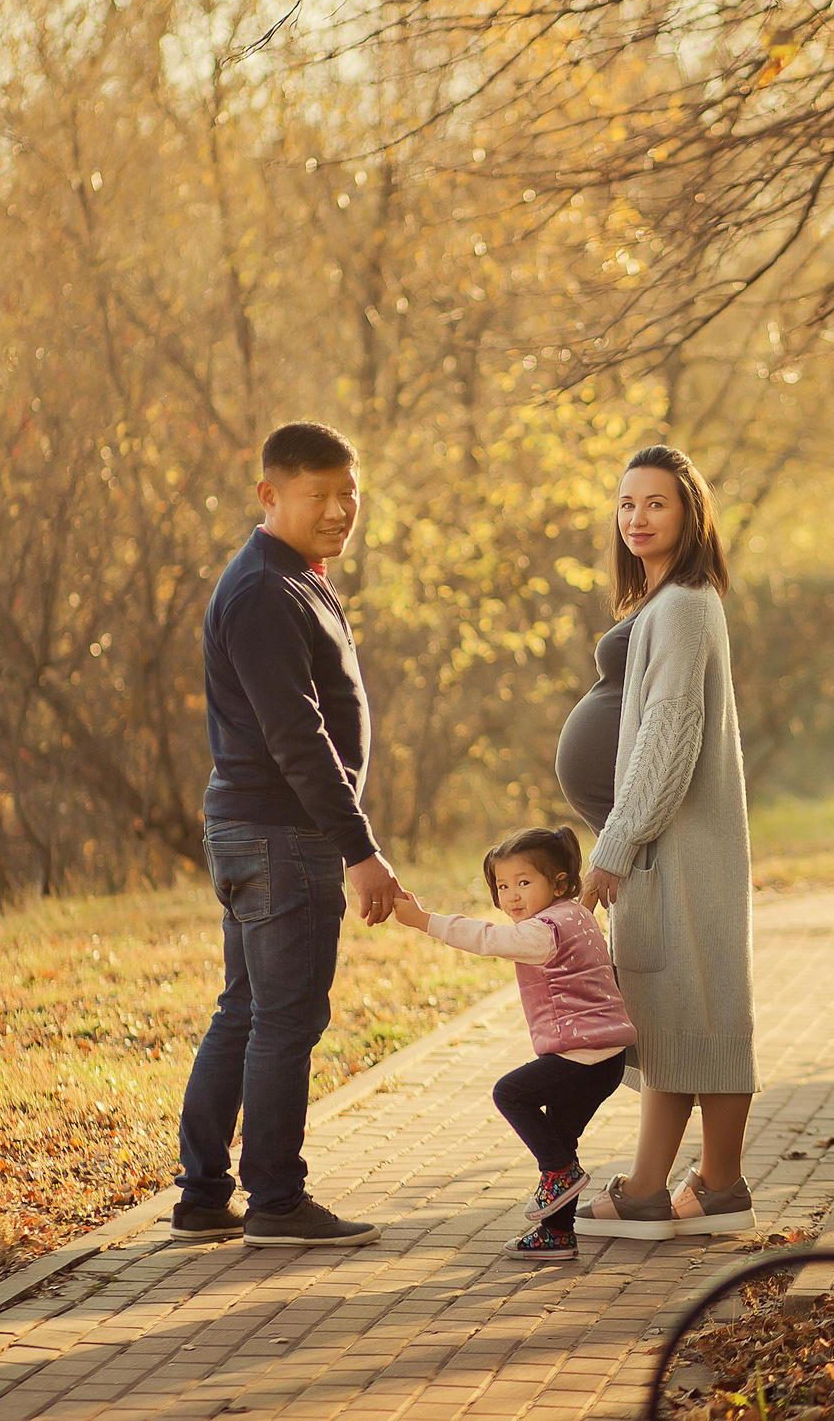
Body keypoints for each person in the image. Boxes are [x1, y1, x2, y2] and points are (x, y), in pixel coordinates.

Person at [172, 421, 404, 1248]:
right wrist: (360, 849)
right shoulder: (266, 591)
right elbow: (297, 737)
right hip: (279, 833)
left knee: (246, 1009)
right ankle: (274, 1200)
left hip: (256, 828)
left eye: (350, 492)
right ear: (270, 495)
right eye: (319, 495)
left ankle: (203, 1197)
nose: (341, 509)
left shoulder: (289, 577)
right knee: (284, 1018)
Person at [557, 444, 759, 1240]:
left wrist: (614, 845)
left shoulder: (681, 604)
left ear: (690, 514)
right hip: (658, 846)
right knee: (675, 1008)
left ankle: (703, 1184)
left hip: (669, 843)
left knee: (699, 1005)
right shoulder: (673, 597)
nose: (636, 517)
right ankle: (684, 1186)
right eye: (626, 503)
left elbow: (668, 739)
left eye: (656, 504)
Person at [391, 827, 637, 1261]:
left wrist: (424, 920)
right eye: (503, 885)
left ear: (559, 883)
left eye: (525, 883)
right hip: (607, 1057)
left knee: (511, 1093)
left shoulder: (543, 931)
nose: (512, 896)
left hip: (579, 1055)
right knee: (560, 1136)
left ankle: (558, 1172)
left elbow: (487, 939)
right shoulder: (577, 914)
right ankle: (557, 1234)